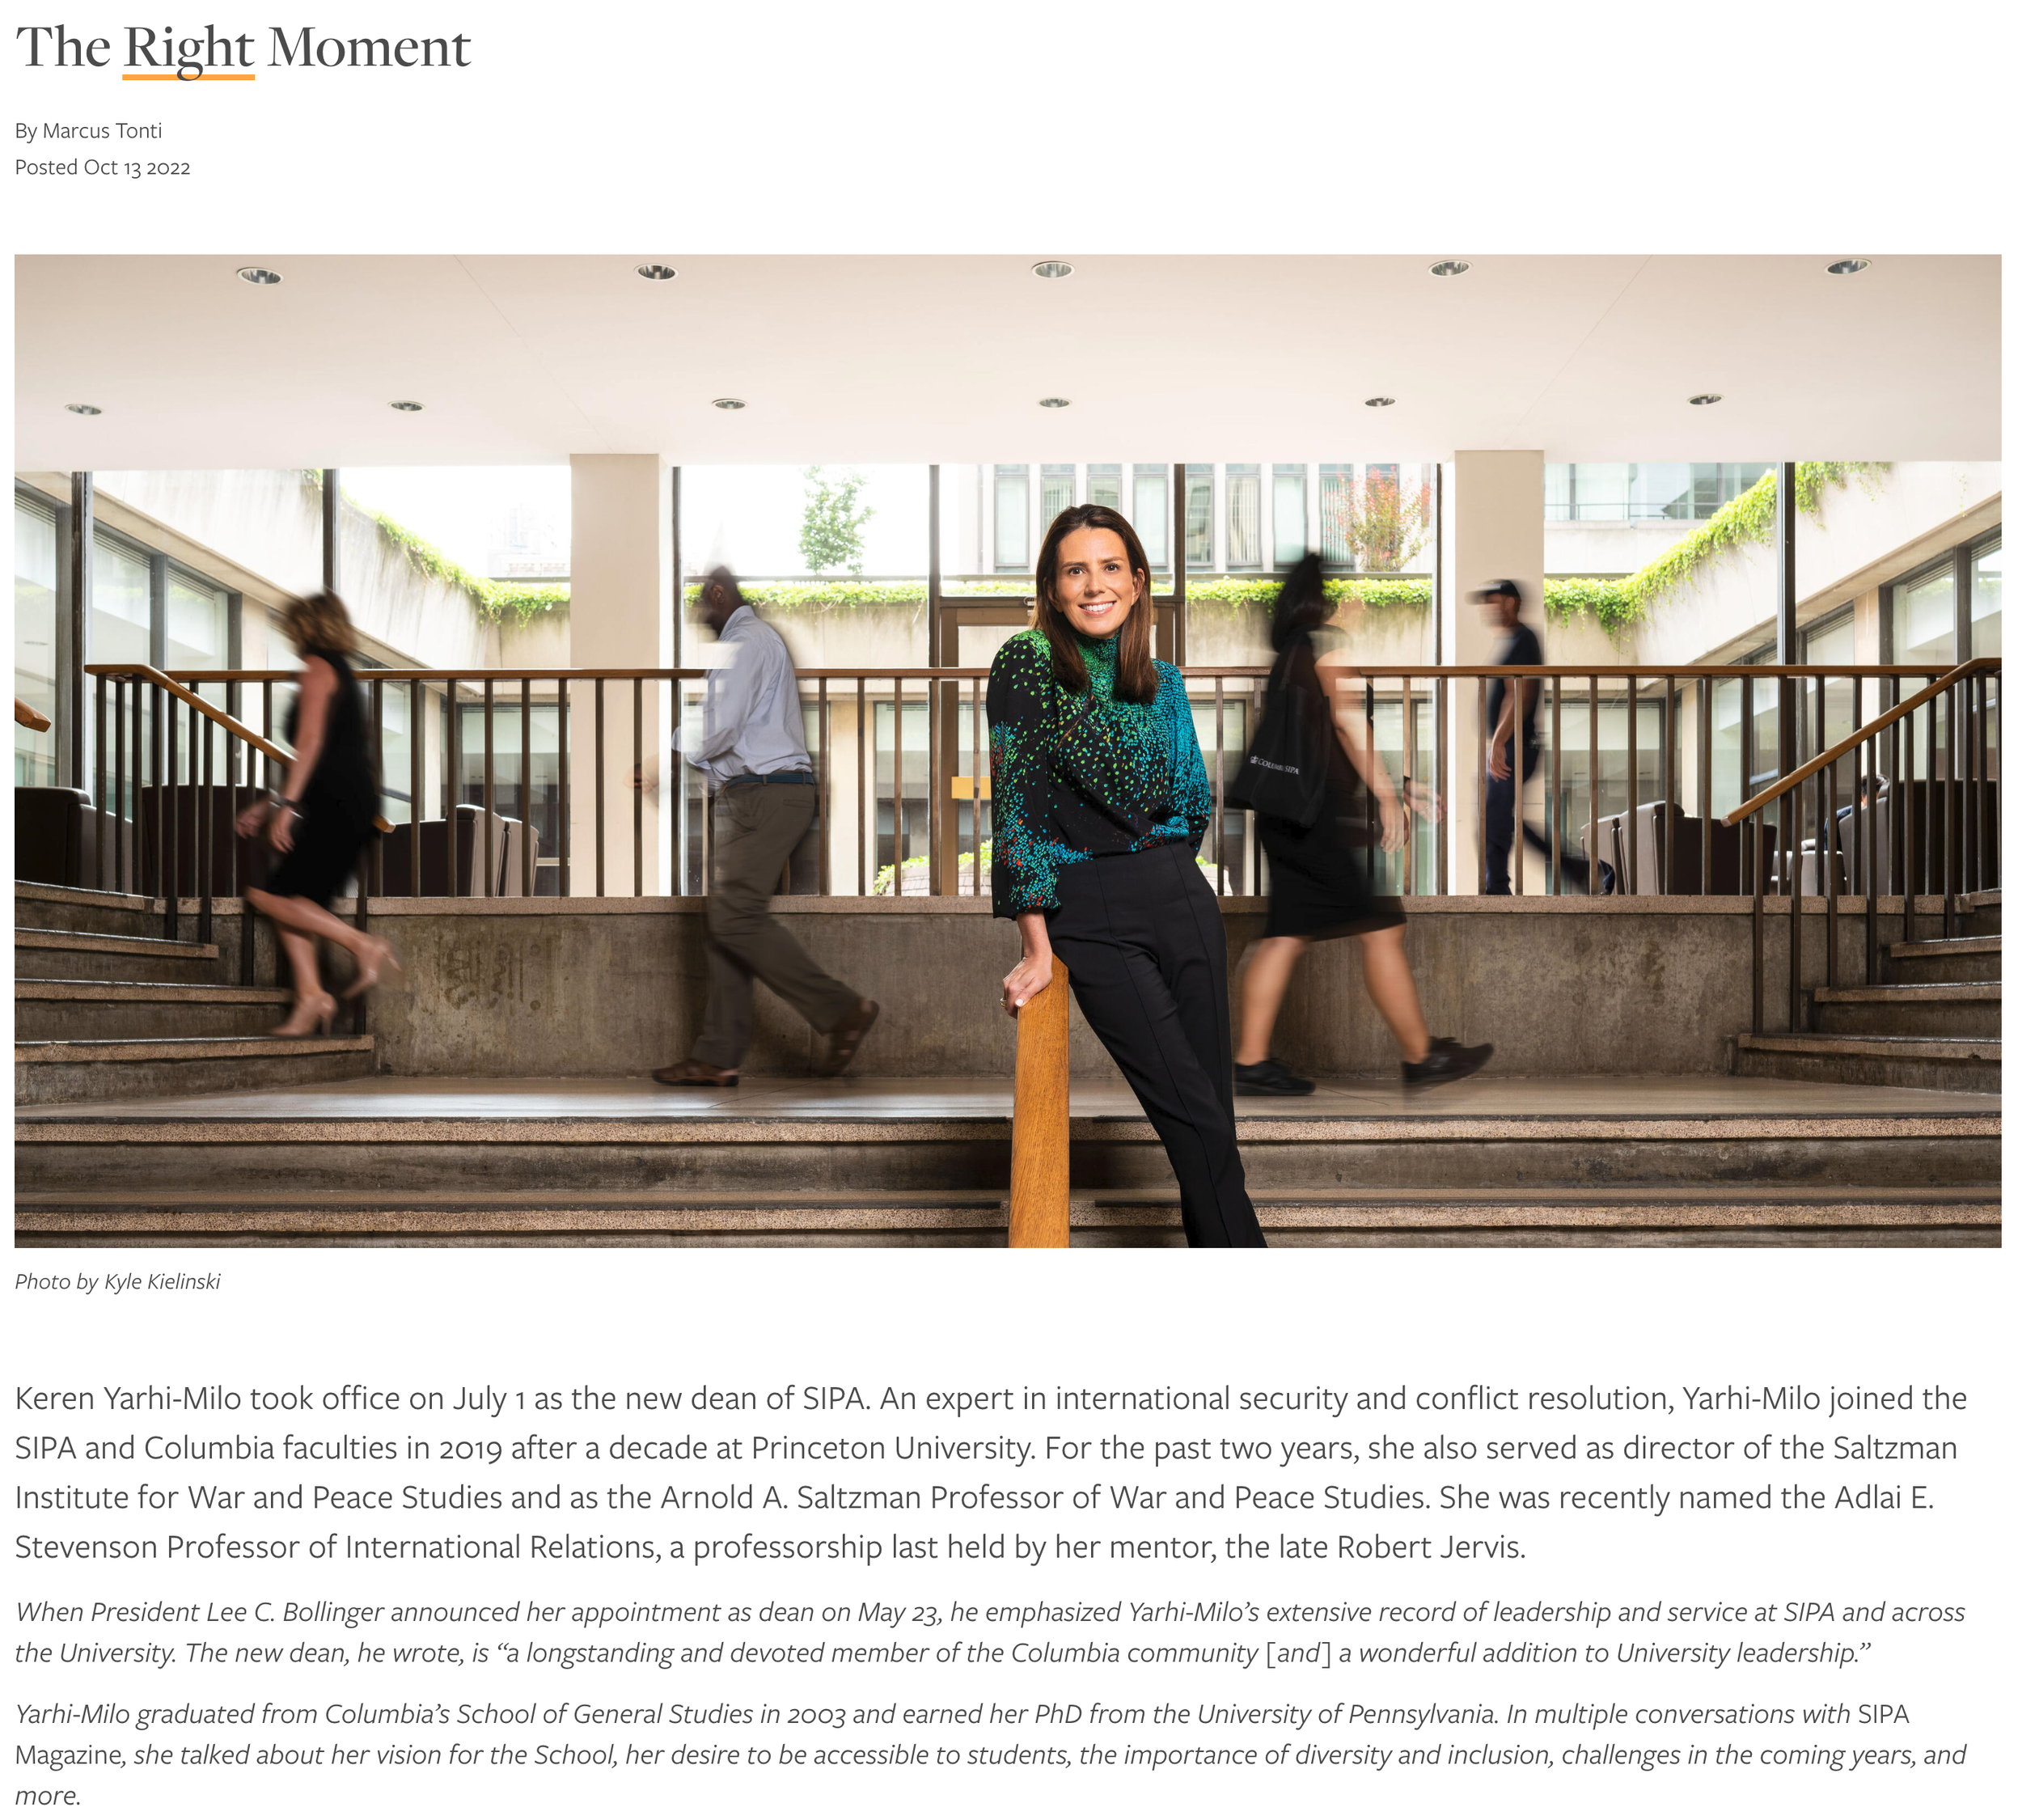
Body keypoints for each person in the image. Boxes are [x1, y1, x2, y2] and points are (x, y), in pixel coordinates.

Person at [990, 505, 1263, 1249]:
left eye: (1111, 568)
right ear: (1052, 588)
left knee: (1213, 1114)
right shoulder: (1027, 663)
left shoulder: (1163, 680)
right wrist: (1037, 942)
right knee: (1194, 1116)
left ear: (1138, 583)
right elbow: (1018, 807)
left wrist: (1169, 863)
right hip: (1093, 901)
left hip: (1182, 894)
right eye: (1075, 570)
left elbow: (1191, 798)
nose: (1094, 585)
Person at [1233, 556, 1493, 1096]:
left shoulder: (1291, 653)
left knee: (1285, 934)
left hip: (1285, 820)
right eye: (1346, 592)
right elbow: (1349, 728)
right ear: (1327, 601)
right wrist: (1386, 798)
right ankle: (1420, 1055)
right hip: (1314, 825)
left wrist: (1398, 786)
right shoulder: (1327, 647)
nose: (1357, 601)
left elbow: (1318, 745)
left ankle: (1252, 1061)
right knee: (1379, 926)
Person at [654, 568, 878, 1087]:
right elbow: (728, 741)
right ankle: (718, 1055)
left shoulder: (747, 641)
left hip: (771, 795)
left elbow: (720, 726)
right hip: (756, 796)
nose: (699, 620)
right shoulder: (746, 645)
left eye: (701, 608)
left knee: (732, 918)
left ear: (719, 594)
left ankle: (842, 1010)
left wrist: (668, 750)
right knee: (725, 924)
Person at [235, 590, 400, 1035]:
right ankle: (310, 997)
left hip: (337, 802)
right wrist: (272, 801)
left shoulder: (316, 669)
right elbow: (321, 752)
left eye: (290, 625)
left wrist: (285, 806)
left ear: (305, 626)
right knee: (293, 899)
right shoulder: (342, 673)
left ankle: (361, 946)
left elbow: (309, 744)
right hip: (349, 798)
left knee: (267, 897)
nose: (287, 632)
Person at [1478, 579, 1610, 895]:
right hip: (1509, 744)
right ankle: (1578, 868)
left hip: (1516, 745)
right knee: (1498, 819)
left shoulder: (1524, 639)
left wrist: (1498, 742)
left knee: (1495, 818)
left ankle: (1499, 889)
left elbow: (1520, 692)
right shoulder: (1513, 640)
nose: (1488, 610)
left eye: (1493, 601)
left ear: (1510, 602)